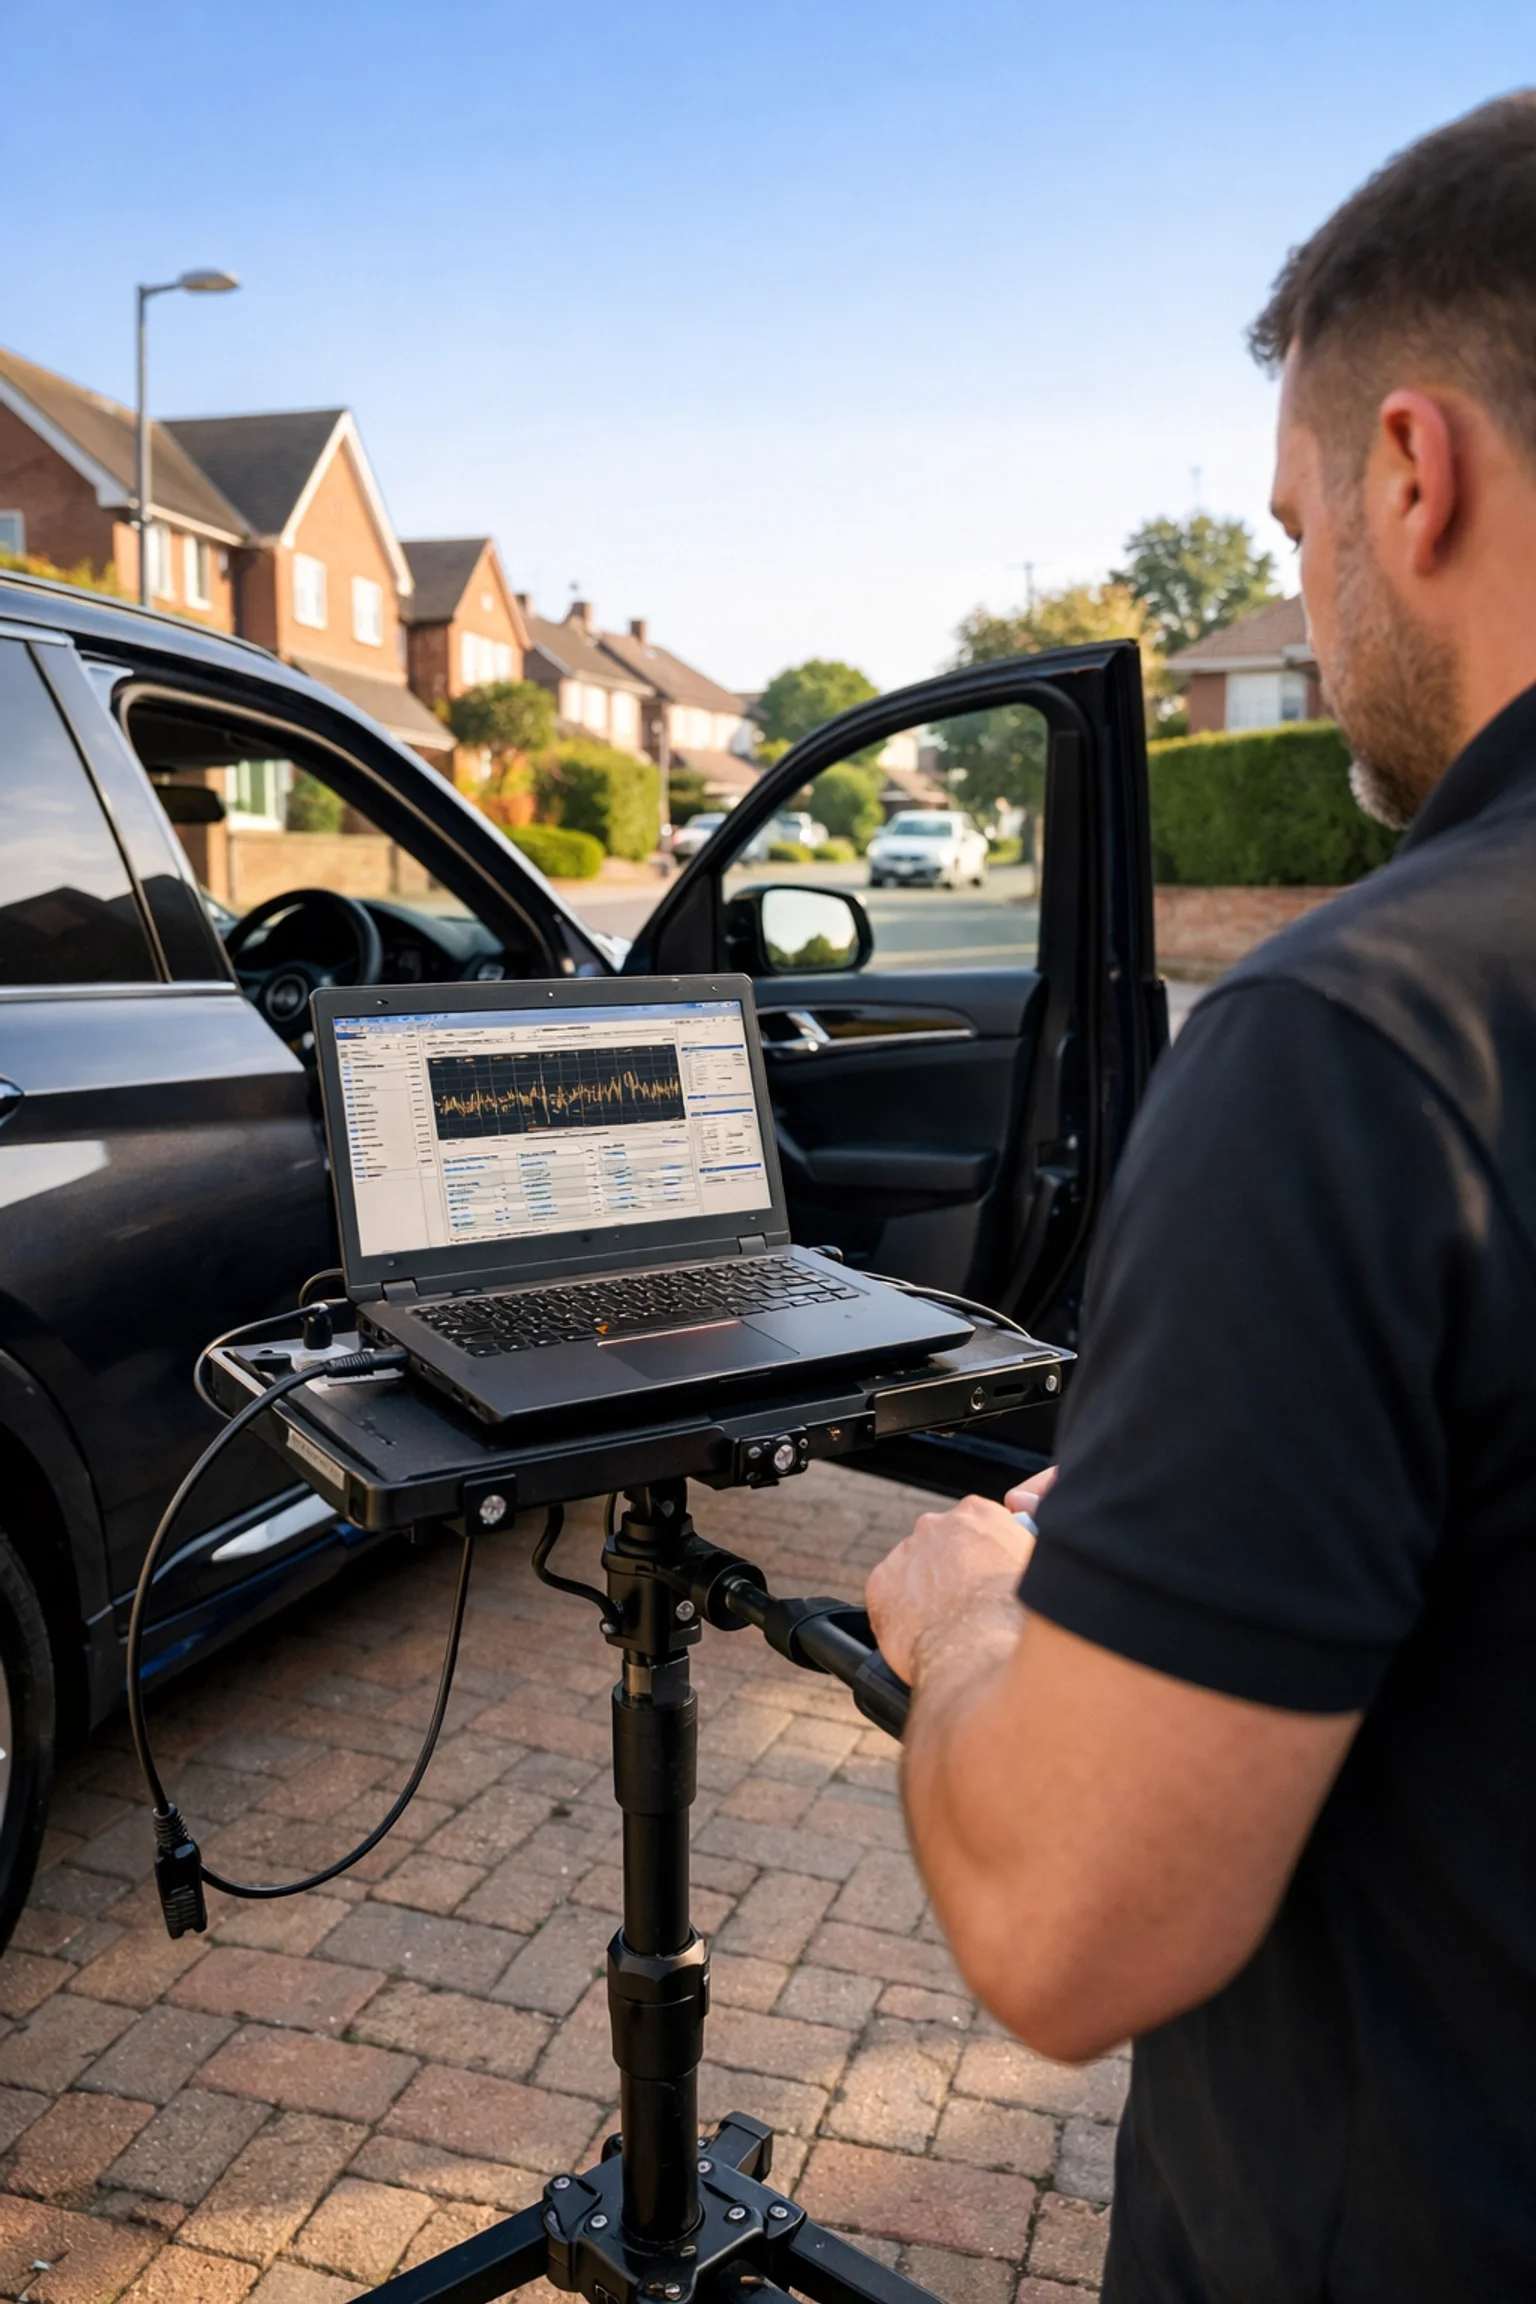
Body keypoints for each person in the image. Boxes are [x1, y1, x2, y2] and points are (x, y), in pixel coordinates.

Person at [866, 93, 1536, 2304]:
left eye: (1298, 518)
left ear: (1411, 479)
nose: (1313, 593)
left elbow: (1074, 1928)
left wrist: (973, 1616)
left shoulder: (1368, 1042)